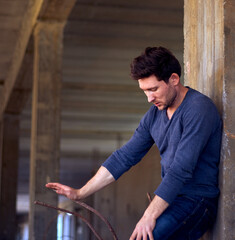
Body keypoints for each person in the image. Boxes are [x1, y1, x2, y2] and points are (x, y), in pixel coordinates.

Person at [46, 47, 222, 240]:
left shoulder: (198, 108)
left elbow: (180, 169)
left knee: (145, 236)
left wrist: (148, 216)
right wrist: (80, 193)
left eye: (153, 89)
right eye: (145, 91)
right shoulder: (154, 116)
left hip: (198, 201)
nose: (149, 98)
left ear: (173, 79)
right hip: (172, 201)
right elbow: (124, 157)